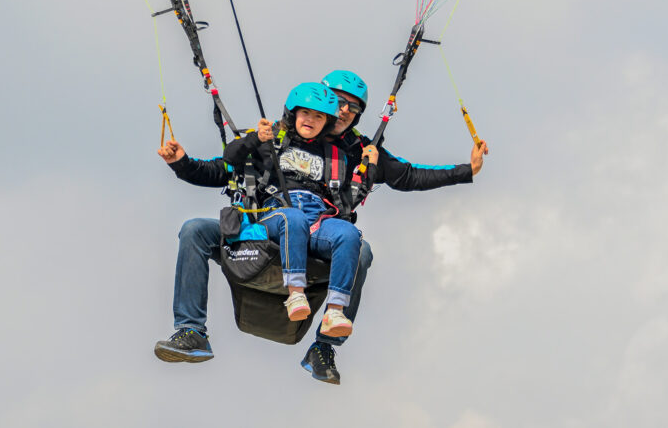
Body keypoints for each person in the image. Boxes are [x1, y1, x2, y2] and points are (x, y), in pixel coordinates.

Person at [154, 70, 488, 384]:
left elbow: (409, 176)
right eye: (338, 102)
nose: (344, 111)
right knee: (195, 229)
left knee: (361, 251)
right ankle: (191, 331)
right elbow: (222, 170)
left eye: (353, 108)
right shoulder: (274, 138)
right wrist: (181, 163)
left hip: (317, 238)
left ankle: (325, 346)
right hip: (265, 232)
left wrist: (467, 170)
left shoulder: (357, 151)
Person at [221, 82, 378, 335]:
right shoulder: (272, 140)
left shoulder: (335, 155)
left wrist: (369, 170)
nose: (310, 120)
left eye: (319, 117)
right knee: (293, 218)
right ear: (293, 114)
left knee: (349, 234)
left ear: (327, 123)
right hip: (276, 215)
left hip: (316, 219)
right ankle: (295, 293)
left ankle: (334, 311)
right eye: (305, 113)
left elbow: (347, 202)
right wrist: (256, 138)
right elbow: (230, 157)